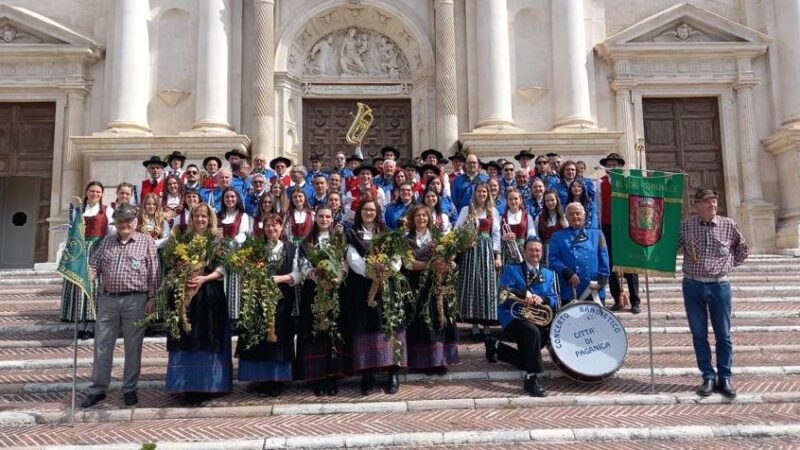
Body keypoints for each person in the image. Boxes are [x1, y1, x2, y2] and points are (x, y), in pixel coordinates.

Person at [81, 203, 161, 408]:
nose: (124, 224)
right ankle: (98, 389)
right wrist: (87, 275)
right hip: (107, 300)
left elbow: (154, 272)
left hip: (136, 300)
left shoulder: (146, 242)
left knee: (133, 347)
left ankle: (130, 388)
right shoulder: (106, 242)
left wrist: (152, 298)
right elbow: (94, 266)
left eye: (128, 221)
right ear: (115, 223)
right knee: (102, 345)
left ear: (135, 222)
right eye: (120, 221)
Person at [679, 188, 748, 398]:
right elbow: (670, 247)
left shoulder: (728, 225)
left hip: (720, 287)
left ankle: (725, 377)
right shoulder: (686, 227)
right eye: (708, 202)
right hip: (693, 285)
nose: (713, 205)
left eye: (715, 202)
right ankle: (708, 376)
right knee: (699, 334)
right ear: (697, 205)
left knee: (723, 335)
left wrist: (726, 266)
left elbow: (742, 249)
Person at [165, 203, 232, 402]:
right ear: (192, 218)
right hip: (187, 296)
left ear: (210, 218)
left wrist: (204, 278)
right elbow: (173, 263)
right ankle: (185, 384)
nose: (200, 219)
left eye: (204, 216)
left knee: (208, 337)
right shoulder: (184, 239)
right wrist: (181, 270)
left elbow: (224, 266)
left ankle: (208, 385)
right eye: (197, 216)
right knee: (187, 336)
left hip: (209, 294)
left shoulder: (217, 240)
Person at [344, 198, 406, 395]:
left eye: (372, 210)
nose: (369, 213)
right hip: (362, 287)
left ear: (378, 212)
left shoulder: (387, 233)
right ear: (359, 212)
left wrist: (387, 271)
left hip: (388, 286)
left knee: (389, 325)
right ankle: (367, 375)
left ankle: (392, 374)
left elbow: (397, 257)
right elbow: (352, 258)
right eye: (365, 209)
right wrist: (372, 272)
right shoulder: (352, 234)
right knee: (365, 326)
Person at [236, 214, 302, 397]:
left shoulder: (291, 249)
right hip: (259, 298)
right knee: (260, 338)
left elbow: (297, 275)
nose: (271, 229)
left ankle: (278, 379)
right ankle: (261, 378)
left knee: (280, 338)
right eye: (268, 226)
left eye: (275, 226)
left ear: (281, 228)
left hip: (282, 299)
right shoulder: (257, 248)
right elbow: (246, 271)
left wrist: (278, 279)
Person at [486, 238, 557, 397]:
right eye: (531, 250)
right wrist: (523, 293)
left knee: (529, 354)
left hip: (537, 316)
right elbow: (504, 291)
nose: (534, 253)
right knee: (532, 332)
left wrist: (543, 299)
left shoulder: (548, 274)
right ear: (524, 252)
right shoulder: (513, 269)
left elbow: (554, 298)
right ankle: (531, 379)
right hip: (514, 315)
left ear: (542, 252)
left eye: (538, 250)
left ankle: (496, 347)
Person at [298, 207, 350, 396]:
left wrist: (338, 276)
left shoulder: (339, 241)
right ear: (315, 218)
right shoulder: (306, 242)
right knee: (316, 331)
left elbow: (345, 262)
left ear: (332, 218)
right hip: (314, 290)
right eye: (321, 216)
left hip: (335, 289)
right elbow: (303, 264)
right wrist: (316, 278)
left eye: (328, 216)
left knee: (333, 330)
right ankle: (317, 377)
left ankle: (332, 376)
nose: (324, 219)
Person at [404, 204, 459, 375]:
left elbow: (453, 261)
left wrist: (448, 264)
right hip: (417, 286)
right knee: (420, 322)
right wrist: (430, 265)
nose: (421, 218)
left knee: (439, 320)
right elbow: (408, 263)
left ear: (429, 218)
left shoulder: (439, 238)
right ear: (413, 219)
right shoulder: (407, 239)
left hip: (437, 285)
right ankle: (422, 362)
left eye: (424, 215)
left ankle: (439, 362)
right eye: (417, 216)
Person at [61, 181, 115, 340]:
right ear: (86, 192)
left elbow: (111, 232)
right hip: (79, 252)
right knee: (79, 286)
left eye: (98, 192)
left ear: (102, 194)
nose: (95, 194)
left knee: (94, 287)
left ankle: (92, 325)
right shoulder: (78, 211)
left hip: (98, 250)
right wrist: (66, 251)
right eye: (92, 191)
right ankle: (80, 324)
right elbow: (70, 232)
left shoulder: (107, 211)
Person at [455, 183, 501, 340]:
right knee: (472, 283)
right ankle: (474, 325)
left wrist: (497, 256)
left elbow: (496, 234)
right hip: (470, 251)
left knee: (487, 284)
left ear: (488, 194)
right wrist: (465, 241)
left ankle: (487, 324)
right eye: (479, 191)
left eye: (485, 191)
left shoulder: (492, 211)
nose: (482, 194)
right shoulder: (466, 210)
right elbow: (457, 230)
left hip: (487, 250)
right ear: (474, 193)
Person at [597, 152, 641, 314]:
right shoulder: (599, 183)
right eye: (609, 165)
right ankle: (617, 299)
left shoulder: (628, 183)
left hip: (626, 228)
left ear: (620, 167)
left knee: (630, 265)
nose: (612, 167)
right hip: (607, 227)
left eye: (615, 165)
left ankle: (635, 300)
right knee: (611, 265)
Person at [548, 203, 609, 305]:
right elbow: (552, 259)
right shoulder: (557, 236)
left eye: (578, 213)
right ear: (566, 217)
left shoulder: (597, 234)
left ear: (584, 216)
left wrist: (601, 279)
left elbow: (604, 260)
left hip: (594, 289)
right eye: (571, 214)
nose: (575, 216)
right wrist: (565, 270)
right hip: (569, 289)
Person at [501, 188, 536, 267]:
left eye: (516, 199)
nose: (513, 201)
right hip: (507, 251)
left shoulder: (527, 216)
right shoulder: (502, 217)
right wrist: (504, 237)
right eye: (510, 199)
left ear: (520, 200)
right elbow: (497, 235)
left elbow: (532, 236)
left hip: (523, 250)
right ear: (507, 201)